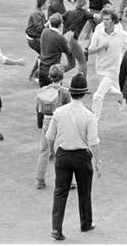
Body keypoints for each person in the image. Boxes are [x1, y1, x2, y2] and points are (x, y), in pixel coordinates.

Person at [45, 73, 100, 241]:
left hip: (63, 154)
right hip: (82, 156)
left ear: (71, 92)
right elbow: (94, 142)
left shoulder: (59, 112)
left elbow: (49, 136)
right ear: (84, 93)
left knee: (60, 192)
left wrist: (51, 152)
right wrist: (97, 162)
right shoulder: (89, 115)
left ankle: (56, 228)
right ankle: (86, 223)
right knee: (84, 191)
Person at [87, 8, 127, 121]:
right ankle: (121, 96)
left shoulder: (120, 33)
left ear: (113, 21)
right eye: (104, 19)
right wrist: (101, 47)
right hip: (100, 68)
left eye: (108, 19)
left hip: (113, 69)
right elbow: (90, 50)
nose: (105, 21)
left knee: (98, 96)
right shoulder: (98, 32)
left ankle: (94, 122)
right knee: (109, 89)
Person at [35, 64, 71, 189]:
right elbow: (69, 109)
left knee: (44, 150)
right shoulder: (65, 92)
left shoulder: (44, 90)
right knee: (63, 151)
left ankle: (40, 179)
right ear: (62, 76)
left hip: (46, 120)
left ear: (50, 76)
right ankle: (65, 180)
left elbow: (38, 109)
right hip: (59, 122)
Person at [38, 13, 72, 87]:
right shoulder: (60, 38)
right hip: (53, 72)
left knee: (43, 95)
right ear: (61, 25)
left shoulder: (44, 31)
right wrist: (68, 40)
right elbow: (68, 51)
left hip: (42, 70)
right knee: (56, 96)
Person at [26, 0, 50, 81]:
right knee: (44, 55)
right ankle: (34, 75)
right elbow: (39, 28)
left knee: (43, 55)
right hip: (33, 39)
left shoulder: (39, 12)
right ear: (43, 3)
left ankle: (35, 75)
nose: (49, 4)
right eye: (48, 3)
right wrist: (47, 24)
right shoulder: (36, 13)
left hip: (35, 38)